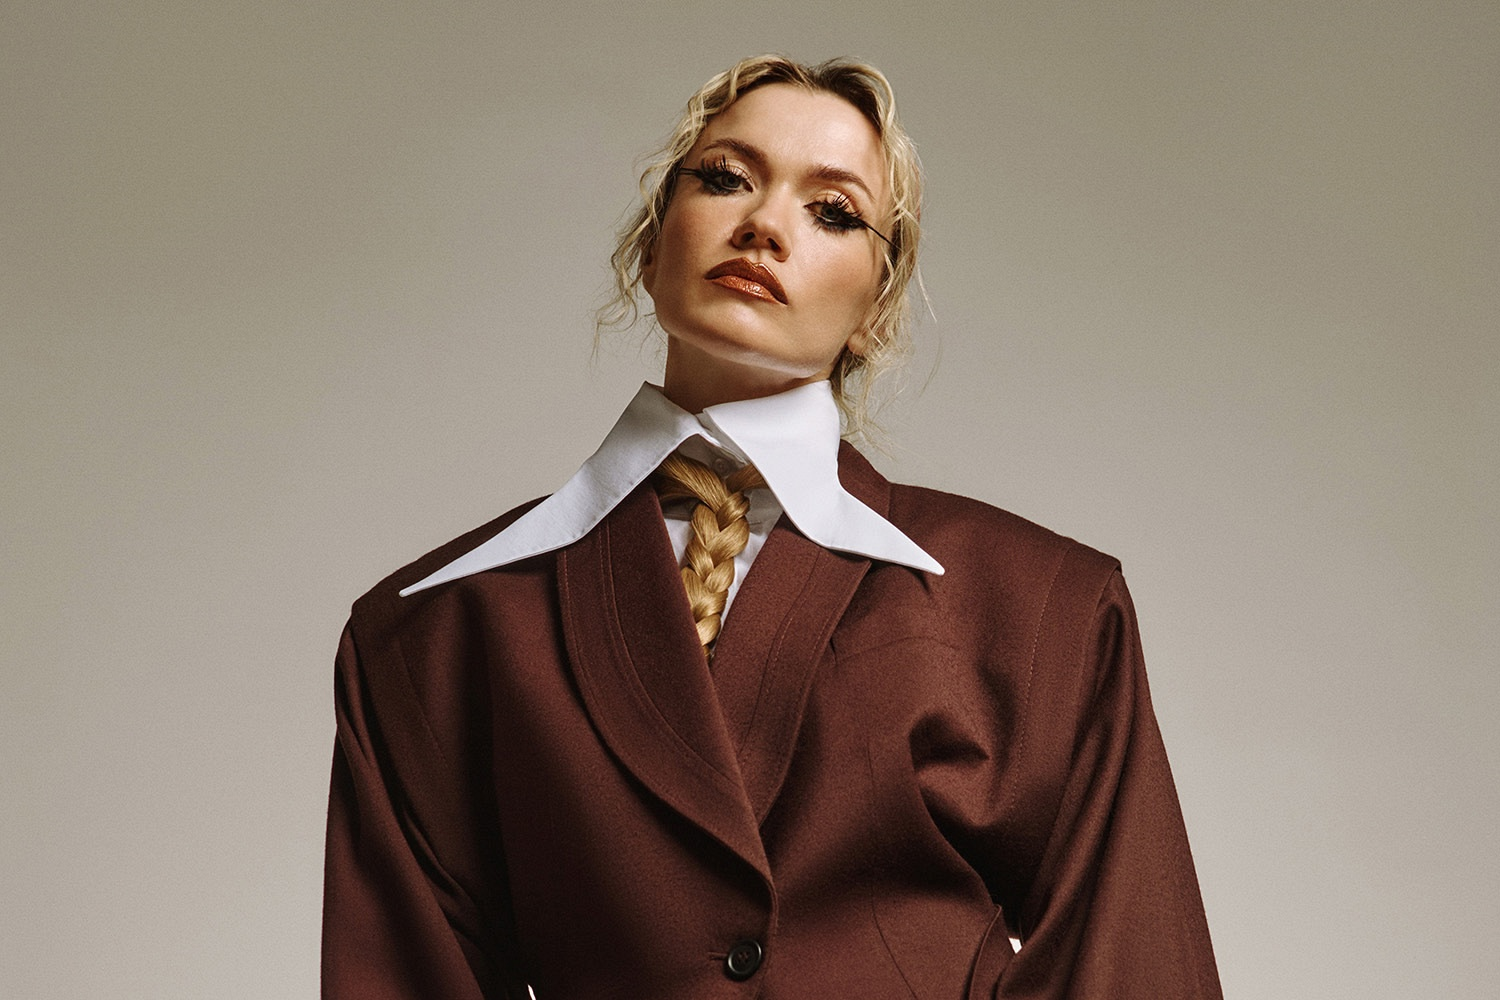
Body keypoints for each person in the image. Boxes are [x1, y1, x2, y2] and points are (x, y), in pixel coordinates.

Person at [321, 55, 1222, 999]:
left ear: (876, 308)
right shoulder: (433, 633)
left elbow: (1134, 971)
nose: (763, 224)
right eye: (724, 178)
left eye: (832, 211)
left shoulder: (1041, 608)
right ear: (651, 243)